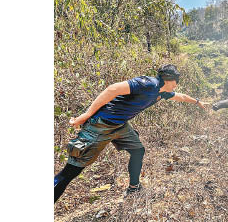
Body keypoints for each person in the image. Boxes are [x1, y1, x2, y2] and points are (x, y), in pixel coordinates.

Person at [54, 64, 210, 203]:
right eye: (177, 81)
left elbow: (181, 97)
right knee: (71, 171)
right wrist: (86, 115)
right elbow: (113, 89)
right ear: (170, 80)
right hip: (100, 126)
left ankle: (134, 187)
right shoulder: (148, 84)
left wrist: (198, 102)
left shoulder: (161, 92)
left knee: (138, 150)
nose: (177, 85)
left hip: (120, 126)